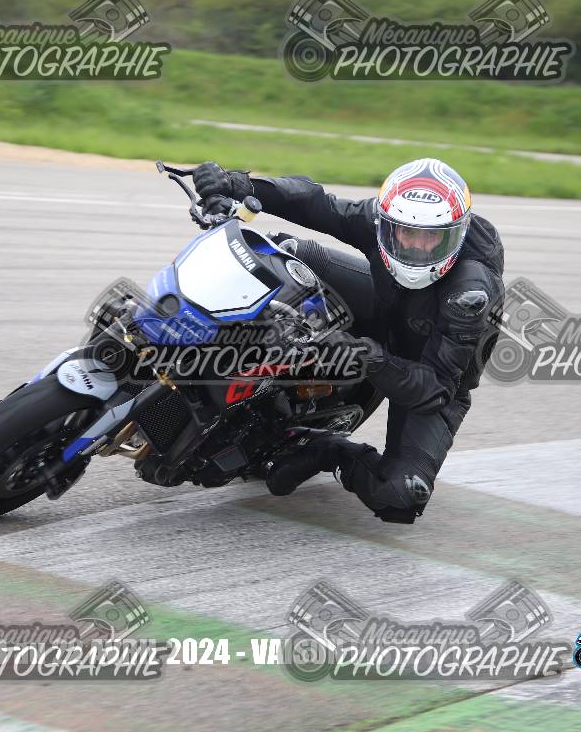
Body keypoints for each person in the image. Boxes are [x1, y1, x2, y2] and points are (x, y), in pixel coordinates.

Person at [193, 158, 505, 523]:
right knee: (287, 252)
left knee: (401, 496)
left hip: (430, 377)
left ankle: (328, 449)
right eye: (406, 234)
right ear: (386, 224)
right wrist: (239, 185)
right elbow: (316, 203)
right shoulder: (380, 219)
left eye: (431, 237)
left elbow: (434, 390)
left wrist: (364, 356)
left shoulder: (471, 294)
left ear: (457, 234)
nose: (417, 248)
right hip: (386, 311)